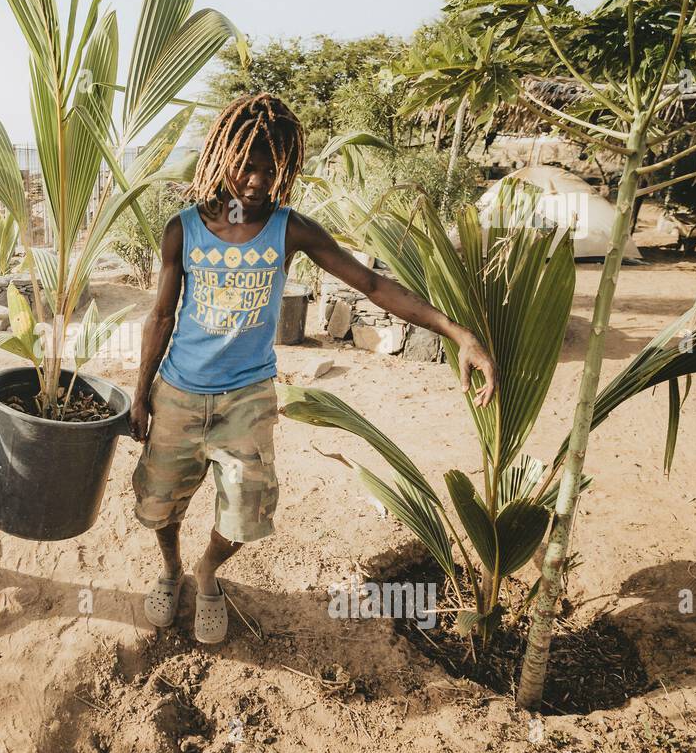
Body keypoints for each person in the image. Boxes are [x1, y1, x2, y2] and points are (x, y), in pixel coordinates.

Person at [129, 93, 496, 643]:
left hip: (246, 399)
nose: (255, 180)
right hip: (179, 392)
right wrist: (140, 393)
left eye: (268, 168)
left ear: (285, 167)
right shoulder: (182, 230)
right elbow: (161, 316)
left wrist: (458, 333)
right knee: (161, 503)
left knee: (243, 515)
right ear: (221, 156)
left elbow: (371, 284)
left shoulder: (290, 229)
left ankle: (207, 574)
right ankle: (171, 570)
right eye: (246, 164)